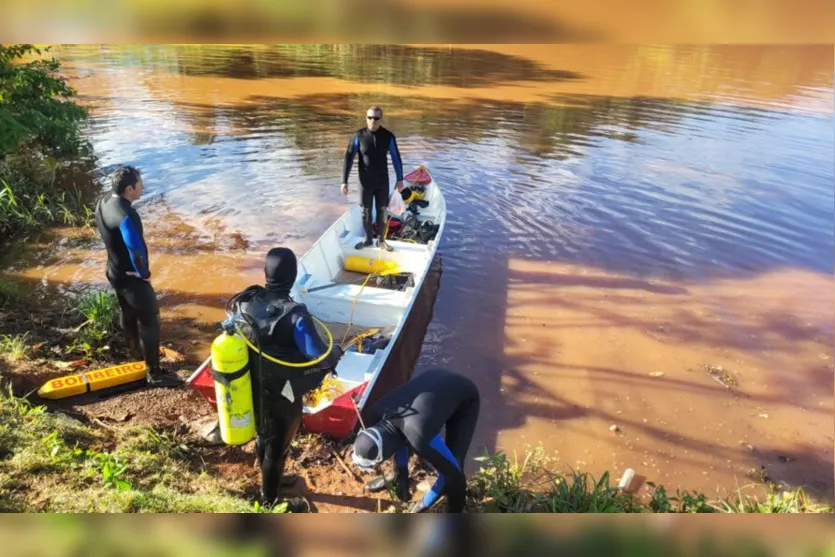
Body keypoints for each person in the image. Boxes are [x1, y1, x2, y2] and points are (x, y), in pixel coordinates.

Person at [229, 247, 342, 513]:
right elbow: (319, 356)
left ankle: (272, 479)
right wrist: (336, 352)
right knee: (277, 445)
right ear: (292, 277)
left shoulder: (245, 301)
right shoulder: (295, 315)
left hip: (250, 384)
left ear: (266, 273)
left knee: (264, 434)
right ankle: (270, 500)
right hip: (282, 391)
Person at [94, 165, 181, 388]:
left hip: (113, 271)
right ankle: (154, 374)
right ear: (130, 189)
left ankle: (135, 356)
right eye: (140, 184)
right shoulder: (126, 213)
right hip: (131, 276)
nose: (143, 188)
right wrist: (143, 274)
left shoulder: (104, 202)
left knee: (127, 310)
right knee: (150, 319)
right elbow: (135, 247)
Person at [351, 368, 481, 513]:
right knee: (404, 433)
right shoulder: (375, 414)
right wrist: (401, 474)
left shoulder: (419, 438)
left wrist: (423, 504)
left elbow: (451, 474)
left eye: (377, 464)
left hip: (464, 396)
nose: (377, 467)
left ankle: (455, 513)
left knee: (456, 467)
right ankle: (396, 476)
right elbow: (397, 436)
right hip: (434, 380)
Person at [340, 105, 405, 252]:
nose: (373, 121)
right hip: (365, 182)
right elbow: (348, 158)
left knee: (382, 210)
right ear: (366, 118)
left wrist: (400, 179)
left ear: (381, 119)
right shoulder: (358, 136)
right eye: (370, 117)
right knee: (366, 211)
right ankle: (368, 239)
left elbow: (396, 158)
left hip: (382, 181)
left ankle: (382, 241)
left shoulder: (388, 136)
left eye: (376, 118)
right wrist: (344, 181)